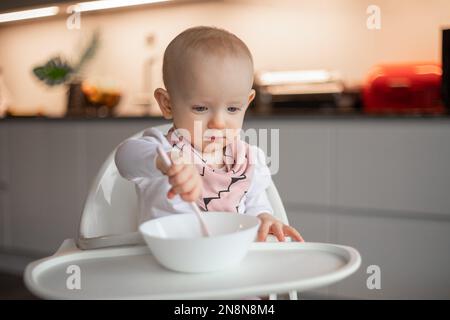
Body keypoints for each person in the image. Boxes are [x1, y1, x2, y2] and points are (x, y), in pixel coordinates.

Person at [115, 26, 304, 242]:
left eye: (232, 109)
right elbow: (124, 158)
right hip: (169, 263)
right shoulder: (164, 150)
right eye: (201, 108)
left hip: (230, 263)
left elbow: (255, 205)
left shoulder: (248, 160)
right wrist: (164, 162)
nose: (218, 123)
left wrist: (265, 218)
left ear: (247, 103)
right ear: (168, 104)